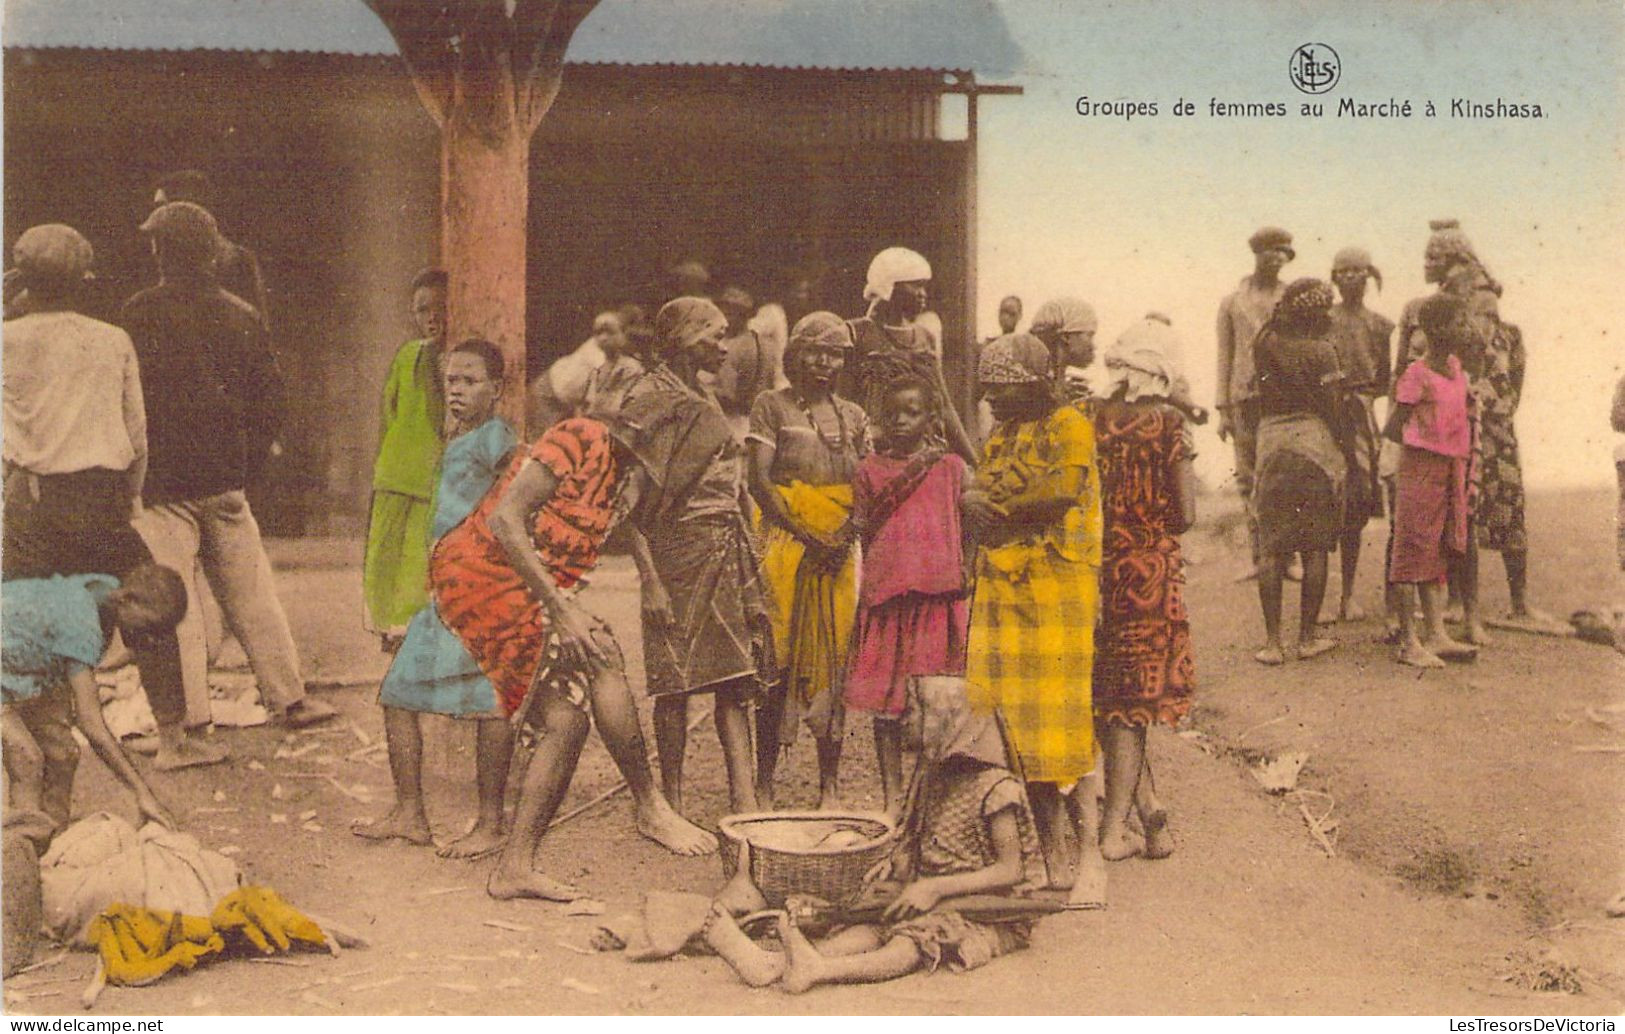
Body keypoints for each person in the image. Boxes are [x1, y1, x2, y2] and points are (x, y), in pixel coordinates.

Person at [425, 342, 716, 892]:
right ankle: (644, 808)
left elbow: (616, 526)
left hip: (516, 585)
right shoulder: (580, 436)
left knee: (576, 702)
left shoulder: (624, 470)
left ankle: (518, 863)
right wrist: (560, 610)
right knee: (588, 676)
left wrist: (637, 583)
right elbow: (507, 522)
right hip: (481, 579)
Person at [2, 223, 223, 771]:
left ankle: (34, 739)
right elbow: (137, 435)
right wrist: (130, 502)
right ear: (84, 279)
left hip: (31, 500)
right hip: (101, 496)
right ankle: (173, 741)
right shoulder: (110, 339)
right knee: (147, 611)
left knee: (20, 615)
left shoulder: (6, 340)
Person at [122, 201, 336, 730]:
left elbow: (126, 402)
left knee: (178, 606)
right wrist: (247, 463)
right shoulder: (242, 314)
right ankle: (289, 698)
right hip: (225, 481)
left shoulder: (138, 312)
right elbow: (271, 405)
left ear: (163, 252)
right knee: (253, 593)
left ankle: (192, 718)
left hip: (165, 485)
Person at [703, 676, 1048, 992]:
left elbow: (1010, 870)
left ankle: (821, 970)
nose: (906, 722)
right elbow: (918, 836)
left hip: (985, 909)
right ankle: (776, 963)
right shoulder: (932, 777)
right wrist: (897, 862)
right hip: (928, 894)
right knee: (868, 928)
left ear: (949, 722)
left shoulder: (997, 790)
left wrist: (934, 888)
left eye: (916, 713)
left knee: (909, 943)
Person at [353, 339, 519, 849]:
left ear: (496, 389)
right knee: (398, 697)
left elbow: (517, 499)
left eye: (470, 382)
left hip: (481, 589)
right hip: (445, 590)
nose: (457, 391)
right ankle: (411, 814)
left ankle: (490, 823)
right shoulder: (458, 438)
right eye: (451, 381)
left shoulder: (498, 438)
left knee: (491, 702)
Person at [963, 332, 1105, 908]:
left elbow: (1062, 492)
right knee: (1019, 727)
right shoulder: (1005, 432)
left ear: (1028, 386)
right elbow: (978, 495)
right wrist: (978, 503)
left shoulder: (1068, 426)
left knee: (1065, 719)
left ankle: (1091, 853)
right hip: (1004, 581)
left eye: (999, 390)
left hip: (1057, 583)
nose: (991, 400)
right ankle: (1051, 855)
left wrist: (986, 504)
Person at [621, 297, 772, 814]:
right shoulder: (649, 398)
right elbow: (628, 505)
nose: (725, 347)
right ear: (686, 337)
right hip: (674, 555)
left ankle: (745, 800)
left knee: (735, 678)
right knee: (674, 683)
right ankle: (671, 800)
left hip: (725, 548)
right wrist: (650, 581)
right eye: (716, 335)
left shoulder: (702, 395)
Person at [746, 313, 868, 808]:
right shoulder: (770, 406)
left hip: (839, 549)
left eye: (835, 353)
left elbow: (867, 485)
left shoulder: (853, 416)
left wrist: (846, 533)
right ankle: (763, 782)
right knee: (775, 660)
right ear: (794, 354)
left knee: (833, 662)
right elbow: (760, 479)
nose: (825, 362)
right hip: (786, 545)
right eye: (815, 351)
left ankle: (830, 786)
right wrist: (806, 534)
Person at [1090, 319, 1197, 861]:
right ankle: (1113, 831)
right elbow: (1189, 513)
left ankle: (1149, 812)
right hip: (1150, 570)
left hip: (1096, 565)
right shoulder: (1171, 423)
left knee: (1106, 694)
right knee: (1133, 702)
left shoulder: (1095, 419)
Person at [845, 375, 971, 814]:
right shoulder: (868, 471)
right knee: (887, 707)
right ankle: (892, 798)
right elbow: (861, 532)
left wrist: (962, 571)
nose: (901, 421)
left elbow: (972, 522)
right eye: (893, 412)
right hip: (887, 603)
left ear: (931, 418)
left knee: (936, 705)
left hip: (937, 599)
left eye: (912, 412)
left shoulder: (951, 468)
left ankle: (930, 800)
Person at [3, 564, 185, 843]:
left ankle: (50, 847)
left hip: (22, 666)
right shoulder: (83, 622)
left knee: (64, 753)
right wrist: (142, 793)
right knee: (27, 757)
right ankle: (19, 855)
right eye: (149, 626)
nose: (149, 638)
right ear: (127, 600)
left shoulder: (105, 588)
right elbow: (92, 724)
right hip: (10, 664)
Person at [1250, 279, 1349, 665]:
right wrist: (1344, 450)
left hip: (1271, 445)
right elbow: (1334, 408)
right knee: (1315, 547)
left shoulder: (1265, 344)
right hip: (1313, 447)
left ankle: (1273, 643)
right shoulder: (1324, 352)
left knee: (1271, 548)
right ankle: (1307, 638)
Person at [1387, 295, 1481, 668]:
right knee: (1412, 550)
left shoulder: (1456, 368)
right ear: (1439, 329)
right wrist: (1426, 443)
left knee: (1439, 549)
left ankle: (1436, 634)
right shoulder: (1417, 374)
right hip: (1420, 467)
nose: (1466, 328)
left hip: (1448, 468)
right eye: (1460, 321)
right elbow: (1394, 427)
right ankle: (1409, 641)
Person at [363, 268, 449, 650]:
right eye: (422, 310)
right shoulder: (407, 355)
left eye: (441, 307)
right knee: (384, 558)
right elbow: (389, 411)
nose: (431, 317)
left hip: (430, 479)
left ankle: (409, 632)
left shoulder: (455, 362)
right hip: (395, 474)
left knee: (417, 560)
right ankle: (388, 631)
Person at [844, 247, 978, 466]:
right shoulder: (858, 333)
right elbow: (843, 404)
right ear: (890, 286)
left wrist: (974, 462)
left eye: (924, 286)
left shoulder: (925, 338)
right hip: (872, 454)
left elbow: (944, 405)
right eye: (915, 284)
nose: (922, 293)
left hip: (922, 454)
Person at [1216, 227, 1294, 581]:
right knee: (1248, 478)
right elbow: (1224, 353)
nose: (1276, 257)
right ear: (1257, 253)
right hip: (1243, 397)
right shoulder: (1233, 301)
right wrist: (1222, 409)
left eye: (1283, 251)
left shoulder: (1291, 297)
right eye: (1270, 250)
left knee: (1284, 474)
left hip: (1283, 396)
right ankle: (1259, 557)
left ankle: (1288, 558)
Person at [1327, 247, 1394, 622]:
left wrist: (1362, 400)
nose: (1352, 277)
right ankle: (1322, 596)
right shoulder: (1322, 321)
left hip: (1362, 419)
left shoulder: (1381, 326)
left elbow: (1385, 379)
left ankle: (1347, 594)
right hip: (1326, 416)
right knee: (1323, 501)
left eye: (1359, 271)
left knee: (1356, 505)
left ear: (1369, 276)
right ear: (1334, 278)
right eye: (1345, 271)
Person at [152, 170, 270, 329]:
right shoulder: (159, 251)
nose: (156, 214)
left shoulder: (238, 259)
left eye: (163, 206)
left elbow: (257, 326)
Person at [715, 285, 783, 438]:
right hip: (760, 424)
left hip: (733, 423)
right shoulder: (768, 345)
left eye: (728, 313)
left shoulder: (730, 348)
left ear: (741, 315)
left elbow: (727, 395)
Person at [583, 304, 648, 416]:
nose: (603, 338)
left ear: (623, 334)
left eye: (610, 332)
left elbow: (620, 407)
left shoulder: (631, 368)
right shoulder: (595, 366)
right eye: (598, 333)